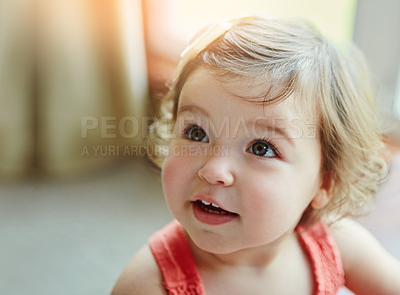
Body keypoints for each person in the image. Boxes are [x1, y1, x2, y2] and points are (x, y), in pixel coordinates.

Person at [112, 16, 400, 294]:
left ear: (325, 183)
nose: (214, 170)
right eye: (196, 133)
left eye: (261, 148)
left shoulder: (335, 243)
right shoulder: (147, 285)